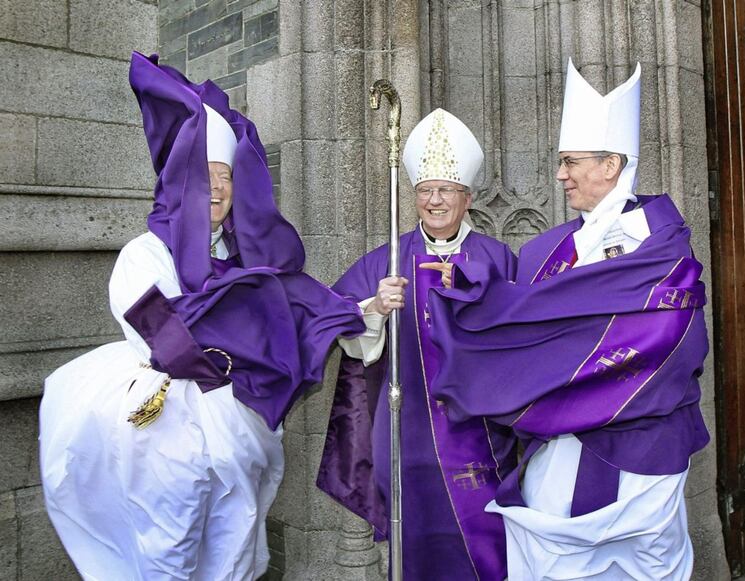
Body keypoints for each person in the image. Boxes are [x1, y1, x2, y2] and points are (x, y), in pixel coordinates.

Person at [39, 52, 364, 581]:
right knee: (172, 540)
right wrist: (245, 336)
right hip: (168, 425)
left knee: (236, 535)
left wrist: (359, 310)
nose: (216, 188)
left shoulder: (247, 262)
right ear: (179, 185)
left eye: (225, 177)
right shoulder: (145, 254)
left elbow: (301, 311)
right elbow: (162, 334)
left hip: (238, 422)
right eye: (204, 176)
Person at [426, 60, 710, 580]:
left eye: (570, 161)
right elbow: (521, 324)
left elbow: (673, 343)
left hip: (641, 453)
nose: (560, 175)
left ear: (611, 164)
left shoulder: (664, 249)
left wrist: (558, 366)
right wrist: (469, 302)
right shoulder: (547, 249)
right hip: (557, 451)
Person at [317, 109, 517, 580]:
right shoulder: (389, 256)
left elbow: (520, 338)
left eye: (446, 190)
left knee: (486, 538)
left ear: (467, 198)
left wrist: (478, 300)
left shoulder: (498, 257)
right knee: (414, 538)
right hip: (404, 429)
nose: (434, 200)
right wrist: (373, 309)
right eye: (426, 190)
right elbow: (331, 320)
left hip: (479, 431)